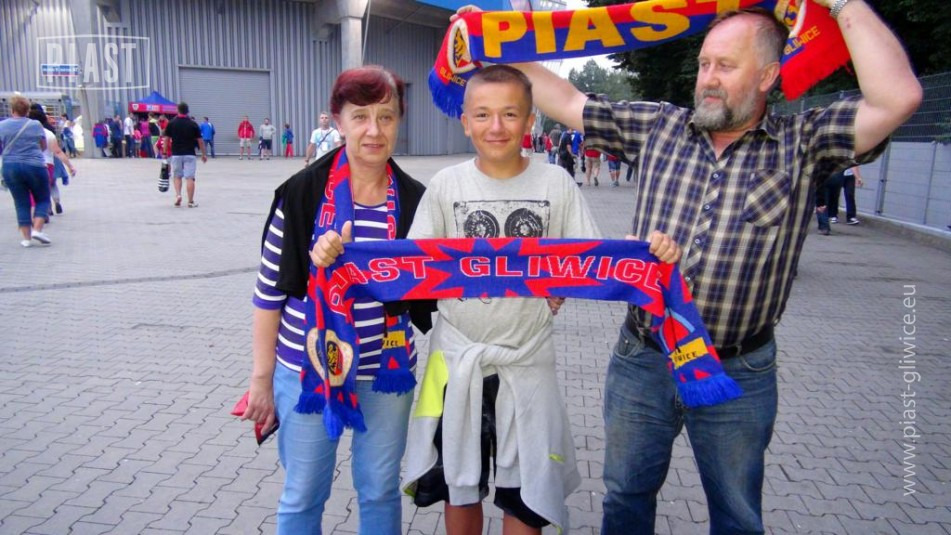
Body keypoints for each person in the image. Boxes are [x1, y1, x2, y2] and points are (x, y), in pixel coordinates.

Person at [460, 1, 922, 532]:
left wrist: (842, 5)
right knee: (625, 499)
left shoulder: (803, 143)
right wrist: (496, 38)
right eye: (704, 64)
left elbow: (899, 98)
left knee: (737, 515)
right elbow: (566, 99)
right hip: (644, 359)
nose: (708, 78)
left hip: (738, 370)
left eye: (726, 66)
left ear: (768, 75)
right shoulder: (661, 126)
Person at [400, 65, 602, 535]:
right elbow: (413, 265)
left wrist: (563, 282)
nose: (496, 126)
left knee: (527, 496)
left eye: (510, 114)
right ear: (465, 122)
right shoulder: (446, 185)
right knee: (457, 484)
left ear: (530, 120)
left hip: (528, 360)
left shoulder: (557, 184)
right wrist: (342, 257)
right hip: (453, 360)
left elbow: (590, 260)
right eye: (483, 114)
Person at [242, 65, 433, 535]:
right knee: (304, 493)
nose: (374, 130)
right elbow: (268, 294)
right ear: (339, 121)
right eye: (360, 116)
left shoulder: (416, 200)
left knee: (380, 490)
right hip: (307, 369)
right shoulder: (302, 193)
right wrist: (262, 380)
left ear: (399, 121)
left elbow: (446, 281)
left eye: (386, 117)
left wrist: (536, 288)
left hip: (385, 371)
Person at [0, 95, 51, 247]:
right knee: (43, 198)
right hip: (34, 165)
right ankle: (37, 229)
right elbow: (43, 146)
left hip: (11, 166)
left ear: (12, 109)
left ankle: (26, 239)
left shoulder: (2, 125)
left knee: (21, 202)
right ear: (27, 110)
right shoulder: (35, 125)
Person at [29, 105, 76, 217]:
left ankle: (38, 213)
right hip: (47, 165)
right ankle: (49, 207)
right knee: (47, 188)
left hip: (30, 165)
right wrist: (70, 166)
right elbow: (58, 152)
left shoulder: (26, 133)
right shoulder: (49, 133)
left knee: (33, 190)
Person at [164, 102, 207, 207]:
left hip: (176, 154)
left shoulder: (171, 123)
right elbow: (200, 141)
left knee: (177, 176)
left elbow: (166, 139)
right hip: (190, 154)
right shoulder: (193, 124)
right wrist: (203, 154)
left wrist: (165, 153)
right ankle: (190, 201)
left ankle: (178, 195)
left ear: (177, 110)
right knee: (190, 178)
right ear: (187, 111)